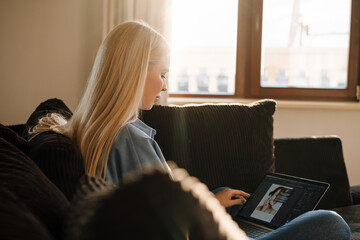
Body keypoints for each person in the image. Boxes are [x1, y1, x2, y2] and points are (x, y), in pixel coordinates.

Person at [30, 20, 350, 240]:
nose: (166, 86)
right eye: (163, 74)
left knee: (230, 197)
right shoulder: (129, 138)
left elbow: (157, 213)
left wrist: (208, 202)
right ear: (136, 71)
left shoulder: (99, 131)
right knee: (329, 224)